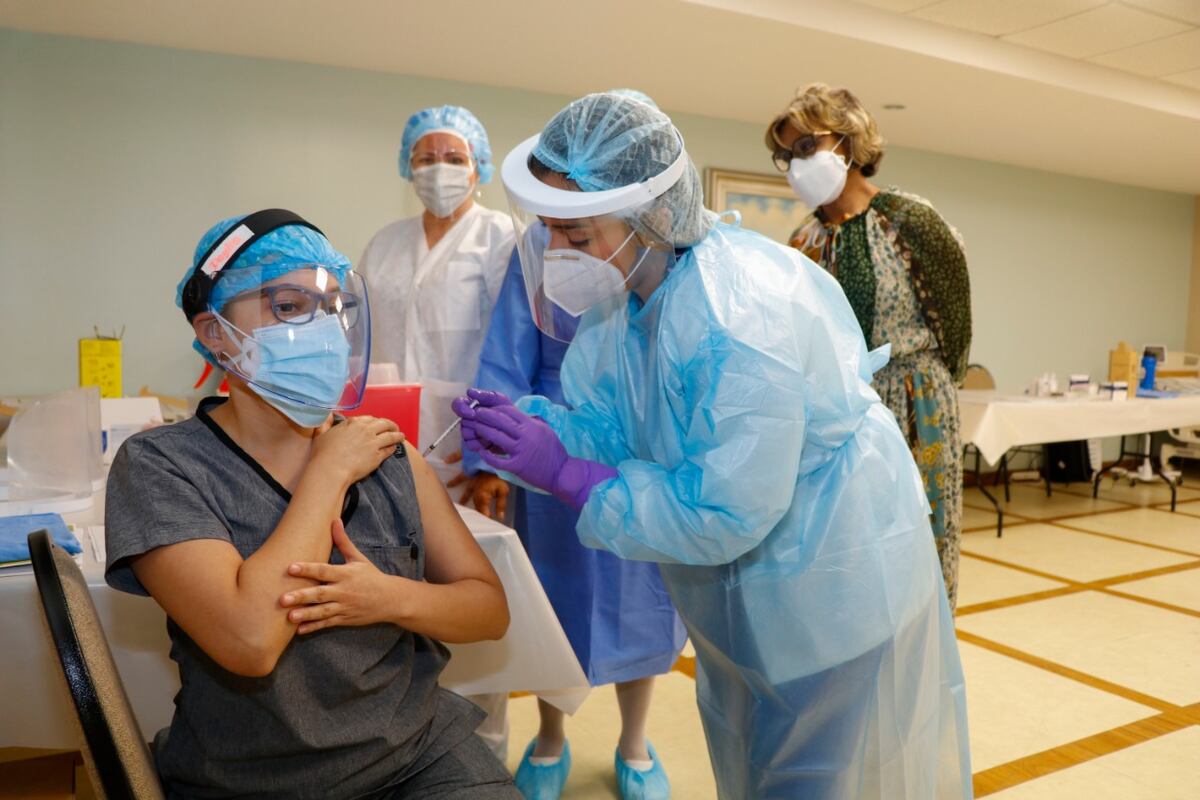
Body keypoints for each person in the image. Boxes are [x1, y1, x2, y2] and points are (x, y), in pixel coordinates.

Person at [453, 94, 972, 799]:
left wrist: (572, 476)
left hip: (828, 583)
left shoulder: (740, 313)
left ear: (648, 215)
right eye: (549, 234)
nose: (559, 257)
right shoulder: (628, 300)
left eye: (576, 235)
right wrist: (539, 436)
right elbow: (617, 424)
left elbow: (723, 509)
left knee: (811, 777)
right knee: (752, 759)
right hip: (746, 588)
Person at [104, 210, 519, 799]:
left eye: (334, 309)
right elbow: (250, 642)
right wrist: (327, 473)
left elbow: (488, 610)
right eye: (290, 307)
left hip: (417, 755)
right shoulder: (161, 467)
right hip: (250, 778)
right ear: (216, 332)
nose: (324, 330)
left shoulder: (388, 455)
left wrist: (391, 597)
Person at [463, 90, 686, 800]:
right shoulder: (536, 248)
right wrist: (491, 453)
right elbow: (506, 350)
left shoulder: (663, 254)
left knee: (646, 604)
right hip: (550, 450)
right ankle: (551, 737)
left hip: (642, 450)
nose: (563, 243)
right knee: (556, 608)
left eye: (578, 230)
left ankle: (635, 742)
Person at [765, 84, 972, 610]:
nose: (796, 163)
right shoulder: (802, 242)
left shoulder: (911, 221)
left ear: (850, 140)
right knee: (851, 549)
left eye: (808, 146)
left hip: (918, 404)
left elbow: (956, 326)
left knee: (921, 541)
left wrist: (927, 392)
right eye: (787, 155)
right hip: (839, 412)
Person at [359, 104, 517, 758]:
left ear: (478, 165)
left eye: (454, 157)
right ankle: (404, 736)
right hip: (388, 441)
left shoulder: (502, 235)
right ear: (407, 166)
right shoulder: (384, 243)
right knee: (399, 586)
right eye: (427, 157)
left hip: (469, 447)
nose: (439, 169)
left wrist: (492, 458)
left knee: (477, 587)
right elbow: (362, 343)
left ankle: (488, 746)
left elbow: (512, 351)